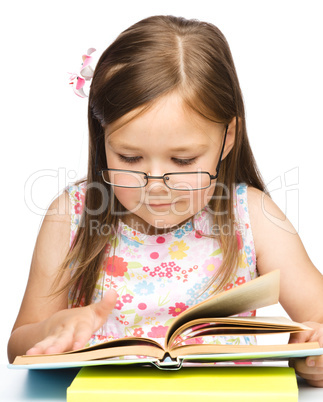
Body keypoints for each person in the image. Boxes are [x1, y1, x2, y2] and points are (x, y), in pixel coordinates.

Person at [7, 15, 323, 387]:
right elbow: (18, 348)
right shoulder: (72, 216)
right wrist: (51, 330)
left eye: (183, 161)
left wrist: (311, 356)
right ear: (102, 136)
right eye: (129, 158)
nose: (156, 185)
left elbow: (317, 321)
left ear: (228, 137)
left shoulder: (252, 215)